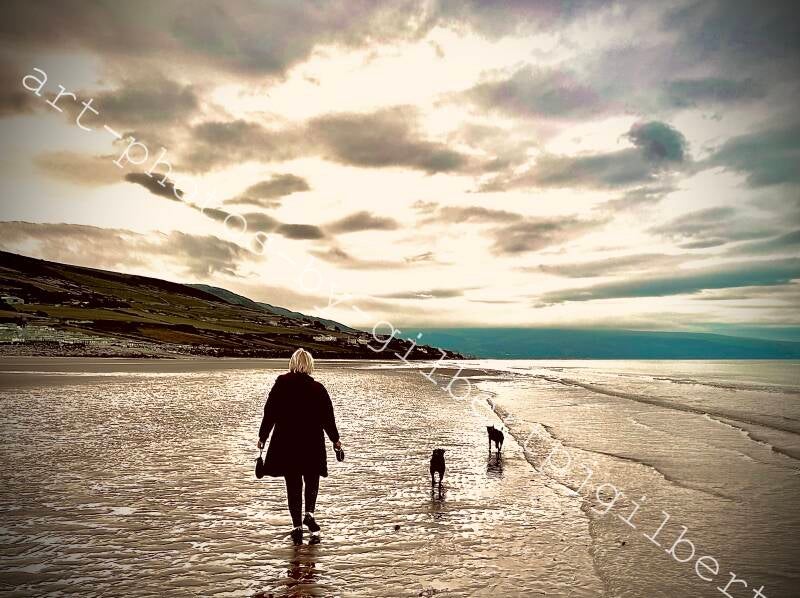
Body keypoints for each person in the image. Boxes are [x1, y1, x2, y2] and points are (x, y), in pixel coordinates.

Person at [257, 348, 342, 545]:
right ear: (310, 365)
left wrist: (263, 437)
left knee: (293, 484)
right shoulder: (318, 389)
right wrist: (335, 440)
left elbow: (269, 412)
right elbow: (328, 418)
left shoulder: (281, 385)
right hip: (312, 442)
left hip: (287, 442)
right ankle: (309, 514)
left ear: (293, 363)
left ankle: (297, 526)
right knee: (312, 479)